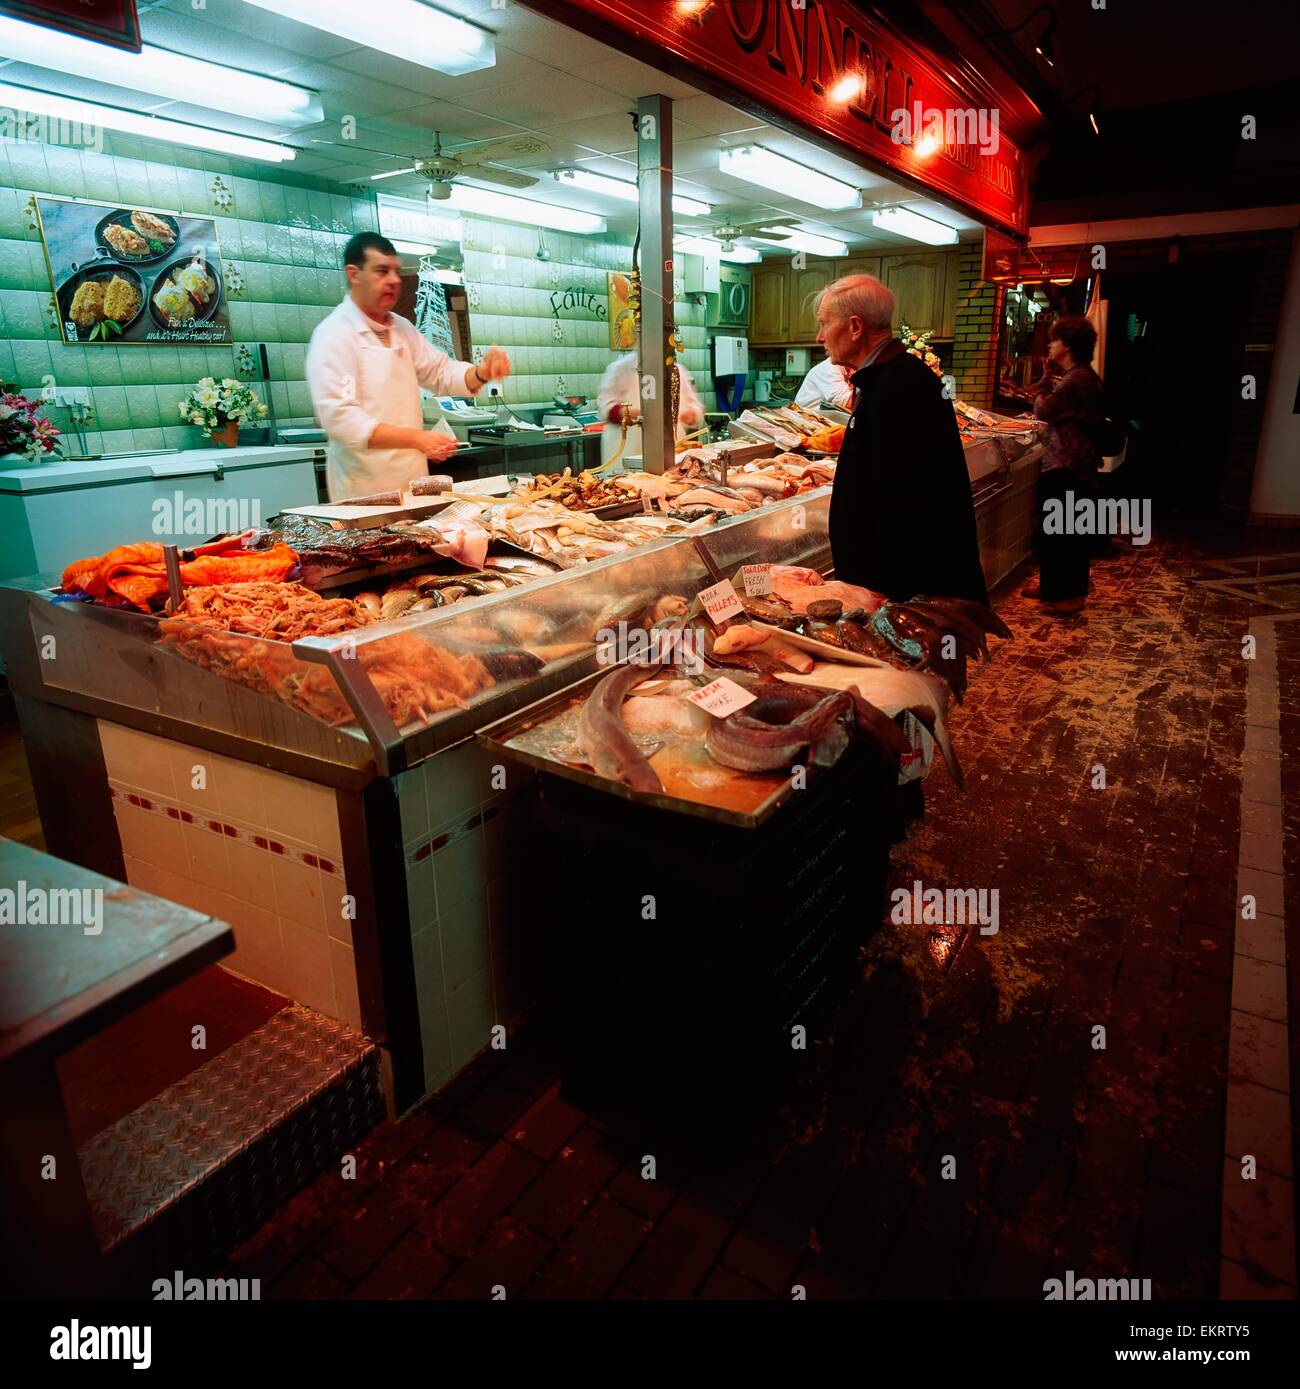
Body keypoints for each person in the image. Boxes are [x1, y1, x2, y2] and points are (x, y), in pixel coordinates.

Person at [816, 274, 987, 605]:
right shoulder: (890, 377)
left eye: (825, 323)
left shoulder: (898, 387)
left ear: (855, 327)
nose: (819, 335)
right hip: (897, 590)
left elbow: (907, 508)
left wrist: (885, 598)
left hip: (906, 594)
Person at [306, 232, 510, 499]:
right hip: (364, 494)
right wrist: (418, 439)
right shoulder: (334, 335)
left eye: (395, 271)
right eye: (381, 271)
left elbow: (441, 372)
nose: (393, 280)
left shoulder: (402, 329)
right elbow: (342, 420)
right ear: (353, 274)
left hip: (414, 486)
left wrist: (481, 373)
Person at [1022, 315, 1105, 615]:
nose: (1050, 344)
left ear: (1067, 346)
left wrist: (1044, 380)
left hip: (1068, 467)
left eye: (1055, 340)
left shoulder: (1077, 379)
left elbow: (1044, 409)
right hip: (1069, 464)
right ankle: (1052, 586)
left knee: (1065, 534)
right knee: (1055, 531)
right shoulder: (1081, 376)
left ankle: (1069, 596)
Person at [597, 351, 704, 464]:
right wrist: (643, 413)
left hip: (670, 451)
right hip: (630, 451)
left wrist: (690, 414)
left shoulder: (677, 370)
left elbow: (694, 407)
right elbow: (607, 409)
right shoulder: (621, 368)